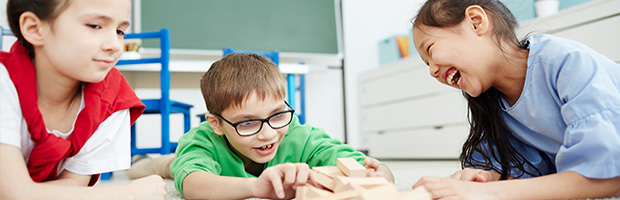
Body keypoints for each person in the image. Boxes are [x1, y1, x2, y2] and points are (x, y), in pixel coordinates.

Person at [410, 0, 620, 199]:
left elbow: (609, 176)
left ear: (476, 21)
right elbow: (524, 173)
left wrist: (492, 193)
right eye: (426, 63)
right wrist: (483, 179)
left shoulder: (565, 62)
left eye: (430, 50)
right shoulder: (494, 105)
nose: (432, 71)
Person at [127, 53, 394, 199]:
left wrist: (378, 176)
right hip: (193, 158)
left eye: (277, 115)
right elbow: (194, 186)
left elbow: (359, 163)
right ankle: (150, 160)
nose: (268, 133)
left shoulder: (299, 135)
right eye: (247, 123)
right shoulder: (203, 140)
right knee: (161, 167)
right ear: (217, 123)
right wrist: (255, 188)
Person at [0, 0, 166, 199]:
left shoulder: (110, 101)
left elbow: (72, 188)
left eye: (120, 31)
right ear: (34, 28)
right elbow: (14, 194)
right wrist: (130, 193)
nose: (115, 45)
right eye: (95, 26)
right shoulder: (4, 83)